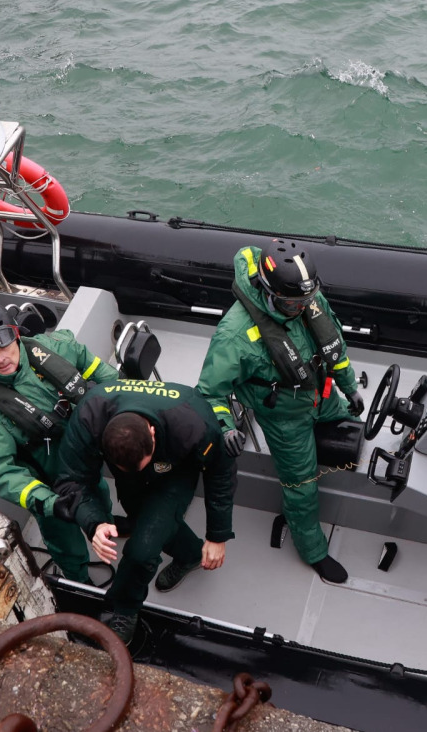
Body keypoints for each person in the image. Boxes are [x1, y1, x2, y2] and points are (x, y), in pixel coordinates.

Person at [196, 240, 363, 584]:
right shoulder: (235, 335)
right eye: (292, 303)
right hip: (285, 417)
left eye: (306, 300)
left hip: (321, 392)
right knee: (301, 487)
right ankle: (313, 550)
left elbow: (334, 347)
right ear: (268, 290)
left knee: (352, 422)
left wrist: (350, 388)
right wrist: (226, 426)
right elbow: (210, 391)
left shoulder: (306, 300)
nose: (301, 308)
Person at [51, 380, 236, 643]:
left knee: (141, 551)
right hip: (128, 475)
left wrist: (217, 536)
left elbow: (221, 472)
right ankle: (190, 554)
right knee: (143, 520)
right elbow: (70, 480)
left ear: (151, 432)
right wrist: (94, 523)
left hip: (175, 472)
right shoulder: (89, 416)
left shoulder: (193, 421)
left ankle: (124, 608)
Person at [0, 302, 121, 584]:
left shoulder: (55, 347)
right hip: (49, 484)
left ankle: (108, 525)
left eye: (4, 343)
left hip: (86, 458)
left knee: (102, 498)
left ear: (17, 335)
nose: (0, 358)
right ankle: (78, 582)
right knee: (66, 544)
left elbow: (106, 377)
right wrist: (50, 503)